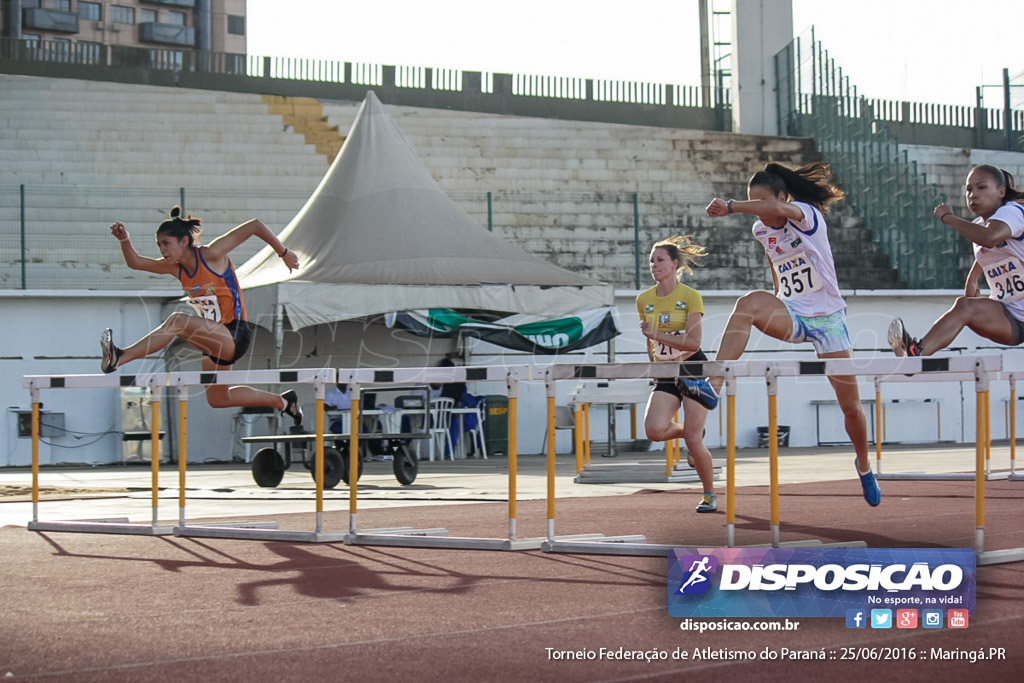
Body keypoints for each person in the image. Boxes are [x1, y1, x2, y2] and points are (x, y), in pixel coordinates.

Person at [705, 162, 881, 507]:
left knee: (851, 408)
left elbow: (772, 210)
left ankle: (863, 464)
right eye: (749, 203)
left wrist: (731, 206)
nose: (760, 214)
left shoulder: (807, 215)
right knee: (748, 304)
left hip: (829, 318)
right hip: (794, 313)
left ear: (783, 197)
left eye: (761, 203)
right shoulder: (761, 229)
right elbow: (776, 260)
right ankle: (712, 384)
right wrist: (777, 296)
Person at [101, 206, 304, 426]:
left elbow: (255, 225)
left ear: (184, 242)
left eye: (166, 244)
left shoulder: (212, 254)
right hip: (213, 338)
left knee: (178, 321)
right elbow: (136, 262)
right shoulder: (176, 269)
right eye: (159, 245)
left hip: (235, 334)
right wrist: (124, 240)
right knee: (218, 399)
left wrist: (283, 253)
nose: (162, 250)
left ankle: (119, 357)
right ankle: (284, 402)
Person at [889, 165, 1024, 358]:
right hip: (1011, 315)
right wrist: (973, 278)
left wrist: (948, 217)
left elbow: (989, 238)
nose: (973, 195)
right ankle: (916, 354)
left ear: (1001, 192)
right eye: (969, 189)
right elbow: (992, 250)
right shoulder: (979, 226)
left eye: (982, 188)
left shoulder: (1011, 212)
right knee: (964, 307)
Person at [637, 235, 718, 513]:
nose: (653, 265)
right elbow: (650, 342)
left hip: (693, 368)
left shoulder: (690, 297)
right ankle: (690, 432)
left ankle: (709, 494)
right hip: (666, 372)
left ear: (674, 264)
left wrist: (656, 334)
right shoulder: (643, 299)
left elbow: (693, 343)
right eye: (651, 261)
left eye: (659, 260)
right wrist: (655, 367)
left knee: (694, 441)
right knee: (654, 430)